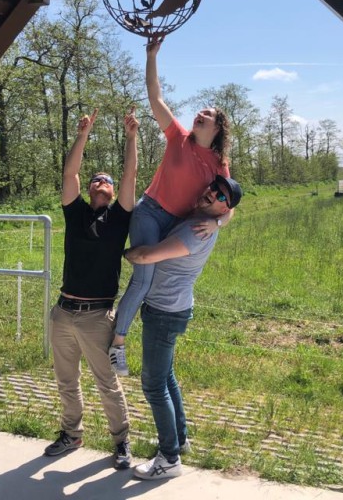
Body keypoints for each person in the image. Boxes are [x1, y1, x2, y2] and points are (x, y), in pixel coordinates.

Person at [109, 35, 234, 376]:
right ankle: (117, 345)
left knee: (153, 283)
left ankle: (117, 319)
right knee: (144, 279)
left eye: (207, 114)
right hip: (150, 213)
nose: (199, 114)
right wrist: (152, 56)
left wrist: (217, 223)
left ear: (218, 127)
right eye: (199, 111)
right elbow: (155, 97)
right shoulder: (178, 137)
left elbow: (230, 206)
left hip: (175, 225)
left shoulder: (219, 166)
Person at [125, 175, 242, 480]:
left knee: (153, 385)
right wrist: (220, 220)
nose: (212, 194)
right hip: (172, 308)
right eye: (214, 188)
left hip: (165, 312)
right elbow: (229, 210)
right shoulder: (203, 220)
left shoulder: (195, 230)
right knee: (166, 376)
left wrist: (120, 253)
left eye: (221, 197)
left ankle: (169, 458)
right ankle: (180, 438)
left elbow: (146, 255)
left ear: (223, 208)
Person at [44, 108, 138, 470]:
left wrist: (131, 137)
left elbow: (130, 175)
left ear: (113, 192)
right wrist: (82, 133)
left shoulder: (120, 217)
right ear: (88, 188)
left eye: (107, 181)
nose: (101, 183)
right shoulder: (76, 213)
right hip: (63, 312)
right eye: (96, 180)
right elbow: (69, 173)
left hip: (97, 316)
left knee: (107, 382)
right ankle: (72, 434)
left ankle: (121, 441)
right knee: (66, 379)